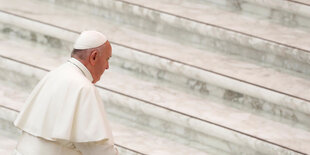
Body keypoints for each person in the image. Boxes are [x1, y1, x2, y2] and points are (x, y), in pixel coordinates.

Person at [13, 30, 118, 155]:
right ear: (94, 56)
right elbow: (96, 147)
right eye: (107, 59)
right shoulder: (83, 87)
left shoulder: (54, 74)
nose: (107, 66)